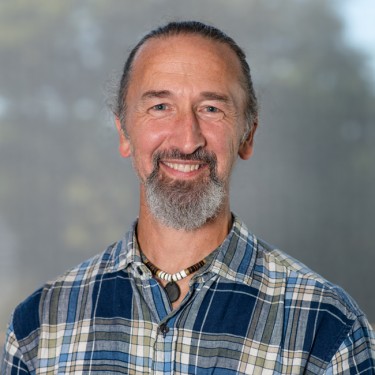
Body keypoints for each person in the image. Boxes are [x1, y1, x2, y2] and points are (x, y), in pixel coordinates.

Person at [2, 21, 374, 374]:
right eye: (160, 107)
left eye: (211, 109)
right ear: (124, 133)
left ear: (247, 135)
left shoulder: (328, 329)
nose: (186, 139)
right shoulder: (39, 328)